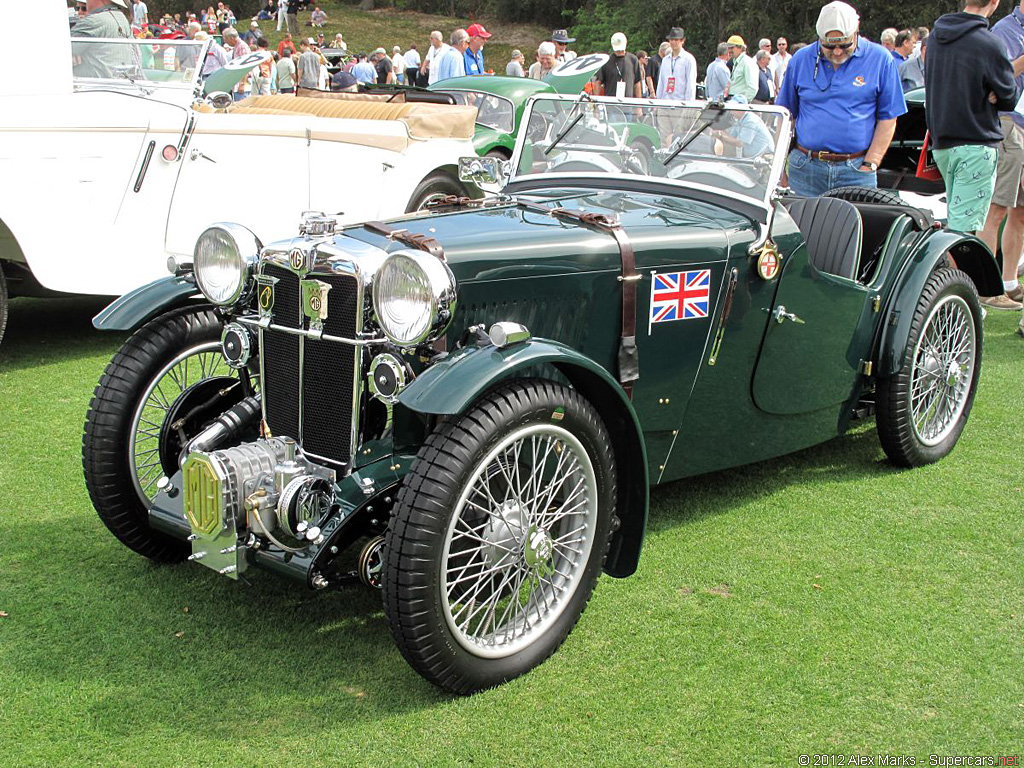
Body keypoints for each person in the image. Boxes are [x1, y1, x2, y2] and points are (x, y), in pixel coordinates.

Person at [775, 1, 907, 196]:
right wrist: (779, 169)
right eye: (829, 46)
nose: (837, 52)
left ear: (856, 31)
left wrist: (871, 162)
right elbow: (784, 117)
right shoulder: (800, 60)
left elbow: (888, 117)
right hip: (805, 169)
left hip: (855, 171)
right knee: (800, 226)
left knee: (857, 227)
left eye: (844, 45)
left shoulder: (881, 59)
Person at [925, 0, 1019, 240]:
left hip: (943, 143)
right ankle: (958, 278)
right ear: (995, 3)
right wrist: (993, 91)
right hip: (976, 143)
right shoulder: (989, 43)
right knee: (961, 234)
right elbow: (1008, 98)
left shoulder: (936, 37)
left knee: (956, 223)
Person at [978, 0, 1024, 309]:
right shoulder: (1006, 29)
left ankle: (1009, 282)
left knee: (1020, 212)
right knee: (996, 208)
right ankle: (986, 287)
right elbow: (1001, 75)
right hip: (1010, 124)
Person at [71, 0, 133, 79]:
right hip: (116, 85)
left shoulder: (93, 21)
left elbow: (57, 53)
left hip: (92, 87)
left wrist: (73, 54)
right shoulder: (121, 17)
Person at [656, 27, 696, 101]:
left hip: (681, 104)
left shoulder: (688, 59)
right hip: (665, 102)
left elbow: (690, 84)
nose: (673, 42)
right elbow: (661, 83)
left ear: (682, 41)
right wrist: (658, 102)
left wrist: (688, 106)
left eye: (676, 40)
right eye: (671, 40)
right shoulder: (665, 60)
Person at [597, 33, 642, 98]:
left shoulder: (633, 59)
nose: (620, 51)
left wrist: (639, 104)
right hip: (610, 102)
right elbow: (598, 82)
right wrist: (595, 103)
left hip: (628, 102)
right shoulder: (606, 60)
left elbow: (637, 83)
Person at [726, 35, 757, 103]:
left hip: (739, 104)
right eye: (728, 48)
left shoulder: (747, 62)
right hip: (733, 101)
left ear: (740, 47)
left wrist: (742, 103)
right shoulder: (736, 62)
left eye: (731, 47)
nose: (729, 50)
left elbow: (753, 88)